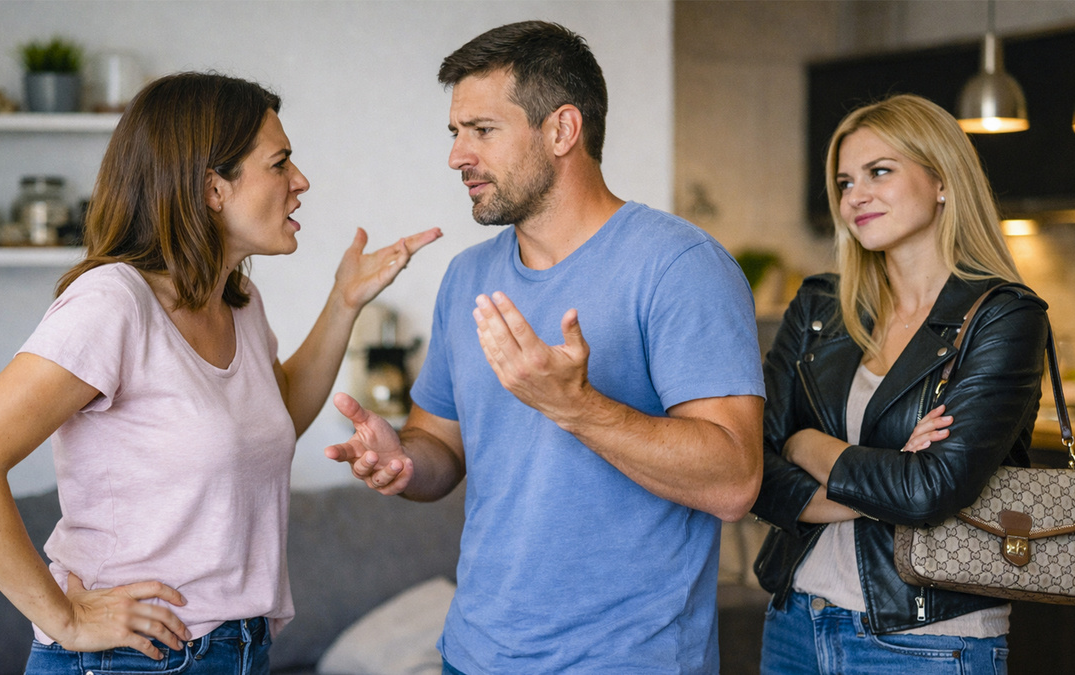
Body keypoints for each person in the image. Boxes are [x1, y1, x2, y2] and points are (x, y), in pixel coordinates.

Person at [0, 72, 440, 673]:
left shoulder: (240, 304)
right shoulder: (113, 303)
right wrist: (66, 619)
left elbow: (278, 415)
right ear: (212, 188)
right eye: (280, 163)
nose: (300, 180)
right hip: (133, 658)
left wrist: (344, 303)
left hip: (240, 649)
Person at [323, 20, 765, 674]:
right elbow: (440, 443)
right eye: (455, 132)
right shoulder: (467, 277)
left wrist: (576, 406)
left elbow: (734, 482)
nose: (457, 156)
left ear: (562, 130)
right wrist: (404, 460)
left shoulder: (680, 266)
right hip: (473, 654)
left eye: (482, 130)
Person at [749, 93, 1048, 674]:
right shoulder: (819, 307)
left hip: (927, 640)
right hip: (796, 623)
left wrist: (806, 444)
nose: (854, 196)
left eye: (879, 172)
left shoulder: (1004, 317)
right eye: (844, 182)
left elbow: (928, 492)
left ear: (942, 181)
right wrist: (884, 478)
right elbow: (753, 464)